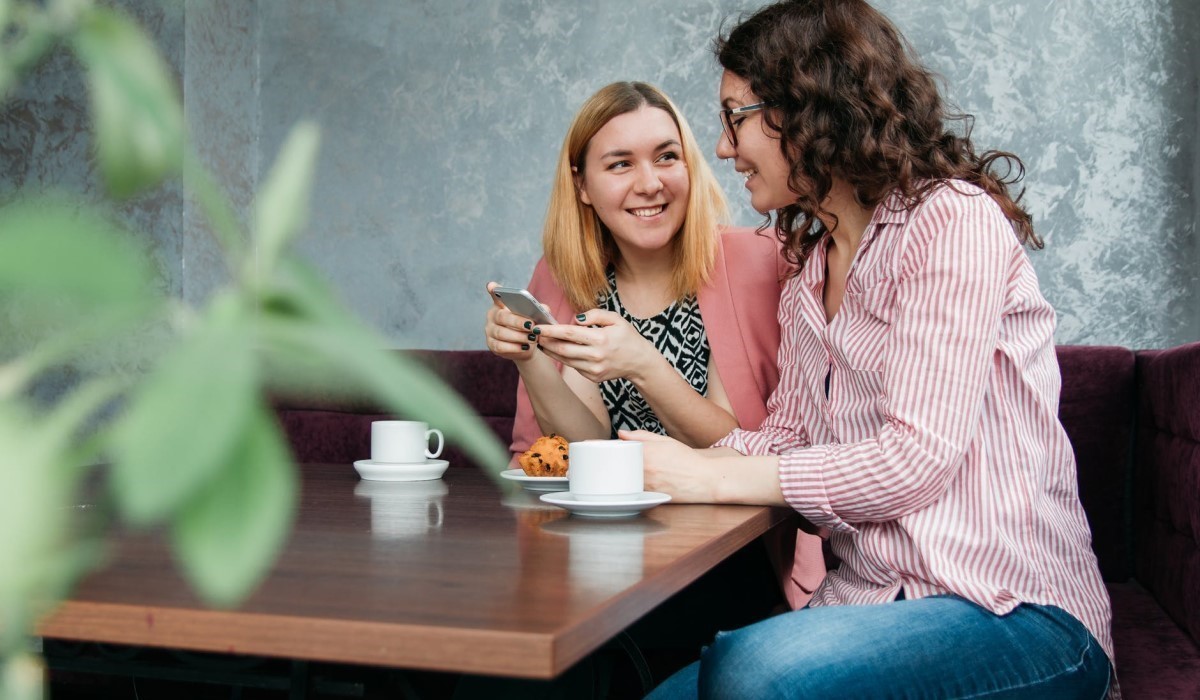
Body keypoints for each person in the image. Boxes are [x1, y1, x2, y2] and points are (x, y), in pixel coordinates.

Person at [627, 2, 1119, 698]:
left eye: (736, 117)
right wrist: (657, 466)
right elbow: (788, 442)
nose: (724, 148)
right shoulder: (809, 277)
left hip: (1015, 613)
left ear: (809, 107)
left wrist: (707, 479)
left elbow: (913, 460)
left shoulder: (950, 220)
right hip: (867, 604)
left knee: (752, 671)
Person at [484, 81, 826, 610]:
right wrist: (529, 359)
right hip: (599, 551)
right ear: (582, 185)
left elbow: (742, 449)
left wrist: (644, 364)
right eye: (620, 164)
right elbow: (583, 443)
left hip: (733, 557)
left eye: (667, 157)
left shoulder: (758, 261)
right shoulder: (561, 276)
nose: (650, 184)